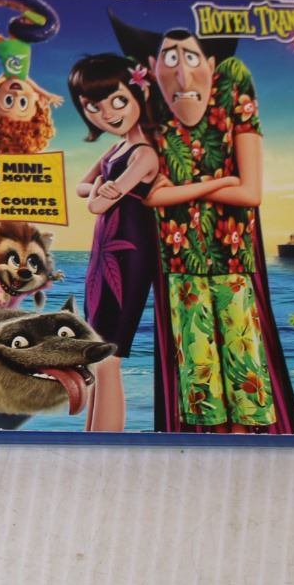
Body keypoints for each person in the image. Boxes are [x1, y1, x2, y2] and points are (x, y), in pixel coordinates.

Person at [110, 14, 294, 434]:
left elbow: (250, 192)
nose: (181, 70)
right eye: (169, 58)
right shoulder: (151, 109)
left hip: (233, 258)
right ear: (153, 65)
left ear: (212, 66)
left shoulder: (234, 89)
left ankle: (244, 442)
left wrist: (183, 189)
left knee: (245, 370)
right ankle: (213, 447)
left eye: (192, 57)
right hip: (180, 261)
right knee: (199, 378)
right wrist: (219, 183)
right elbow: (153, 195)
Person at [67, 54, 236, 432]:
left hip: (129, 254)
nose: (107, 114)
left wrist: (102, 191)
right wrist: (99, 186)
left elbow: (97, 204)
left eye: (117, 101)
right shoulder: (115, 150)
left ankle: (105, 444)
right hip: (103, 256)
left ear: (139, 95)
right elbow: (83, 187)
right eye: (93, 107)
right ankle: (92, 439)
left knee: (109, 355)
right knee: (97, 350)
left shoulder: (144, 154)